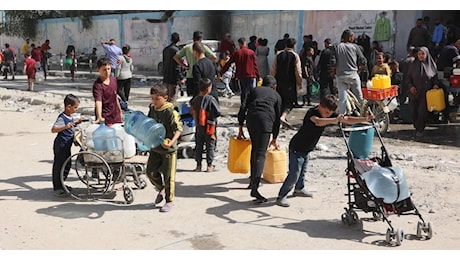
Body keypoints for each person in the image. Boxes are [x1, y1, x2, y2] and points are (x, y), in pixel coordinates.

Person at [276, 94, 374, 207]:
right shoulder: (312, 112)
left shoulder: (330, 115)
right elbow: (318, 121)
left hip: (307, 149)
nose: (328, 115)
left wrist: (365, 119)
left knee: (302, 171)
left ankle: (299, 189)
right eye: (326, 112)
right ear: (320, 106)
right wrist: (334, 119)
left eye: (330, 113)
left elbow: (346, 119)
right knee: (294, 174)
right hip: (297, 148)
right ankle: (282, 196)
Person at [237, 75, 282, 203]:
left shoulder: (255, 90)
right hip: (266, 122)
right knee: (261, 154)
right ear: (274, 86)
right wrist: (275, 137)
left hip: (251, 119)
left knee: (255, 150)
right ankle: (255, 189)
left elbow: (243, 106)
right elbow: (277, 119)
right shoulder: (276, 95)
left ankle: (252, 182)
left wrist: (240, 127)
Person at [146, 84, 183, 213]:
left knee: (169, 177)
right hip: (155, 148)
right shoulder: (152, 109)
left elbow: (178, 130)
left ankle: (169, 201)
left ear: (165, 98)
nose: (154, 101)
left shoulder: (170, 112)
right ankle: (161, 189)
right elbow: (148, 125)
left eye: (157, 99)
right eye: (152, 98)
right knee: (150, 172)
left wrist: (170, 142)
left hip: (168, 151)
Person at [405, 47, 441, 138]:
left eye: (423, 54)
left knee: (422, 112)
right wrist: (411, 87)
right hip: (414, 92)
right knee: (413, 111)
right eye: (419, 54)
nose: (421, 56)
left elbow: (435, 78)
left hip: (426, 93)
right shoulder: (413, 65)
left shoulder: (431, 65)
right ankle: (416, 126)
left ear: (426, 55)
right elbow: (408, 78)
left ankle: (420, 129)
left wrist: (435, 84)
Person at [51, 94, 82, 196]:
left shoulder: (70, 117)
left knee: (67, 165)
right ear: (68, 107)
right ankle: (57, 187)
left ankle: (62, 184)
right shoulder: (62, 117)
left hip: (67, 145)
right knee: (59, 165)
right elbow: (53, 129)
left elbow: (71, 127)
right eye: (75, 107)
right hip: (61, 145)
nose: (76, 110)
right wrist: (65, 127)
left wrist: (77, 123)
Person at [331, 29, 367, 115]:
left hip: (341, 76)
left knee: (342, 99)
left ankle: (342, 119)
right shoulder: (355, 47)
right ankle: (365, 115)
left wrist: (333, 72)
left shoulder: (336, 46)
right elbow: (363, 60)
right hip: (353, 75)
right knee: (359, 97)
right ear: (350, 37)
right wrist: (359, 69)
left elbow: (333, 62)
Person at [219, 37, 261, 108]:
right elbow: (255, 65)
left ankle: (243, 107)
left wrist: (221, 72)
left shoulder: (237, 53)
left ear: (239, 44)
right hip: (251, 75)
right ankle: (251, 107)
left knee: (243, 92)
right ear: (245, 43)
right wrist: (259, 76)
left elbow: (228, 63)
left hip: (241, 76)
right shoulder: (251, 52)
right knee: (251, 92)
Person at [190, 78, 221, 172]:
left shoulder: (195, 99)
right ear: (208, 88)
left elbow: (192, 110)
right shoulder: (211, 99)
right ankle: (209, 165)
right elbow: (218, 112)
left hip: (199, 126)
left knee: (199, 145)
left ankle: (198, 165)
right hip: (210, 126)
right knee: (210, 145)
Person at [270, 37, 302, 129]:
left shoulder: (278, 54)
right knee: (289, 102)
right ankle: (283, 117)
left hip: (278, 82)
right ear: (294, 46)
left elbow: (273, 69)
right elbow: (298, 71)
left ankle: (278, 120)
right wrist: (299, 83)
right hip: (290, 84)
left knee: (280, 101)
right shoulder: (295, 56)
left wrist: (272, 82)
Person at [174, 30, 217, 97]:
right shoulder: (203, 47)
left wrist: (184, 66)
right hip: (202, 77)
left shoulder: (187, 47)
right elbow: (214, 57)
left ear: (193, 38)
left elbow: (176, 57)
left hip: (190, 75)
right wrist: (207, 63)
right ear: (201, 39)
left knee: (191, 97)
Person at [92, 57, 123, 125]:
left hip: (116, 116)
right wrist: (99, 116)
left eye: (109, 69)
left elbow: (115, 97)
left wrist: (120, 112)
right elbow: (98, 101)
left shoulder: (114, 80)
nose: (107, 72)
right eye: (104, 70)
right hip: (105, 118)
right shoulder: (98, 85)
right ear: (98, 70)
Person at [162, 32, 183, 105]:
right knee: (172, 98)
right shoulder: (177, 51)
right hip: (173, 77)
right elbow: (178, 66)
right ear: (179, 40)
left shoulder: (165, 50)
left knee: (166, 97)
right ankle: (170, 114)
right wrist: (181, 78)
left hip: (166, 77)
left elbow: (164, 63)